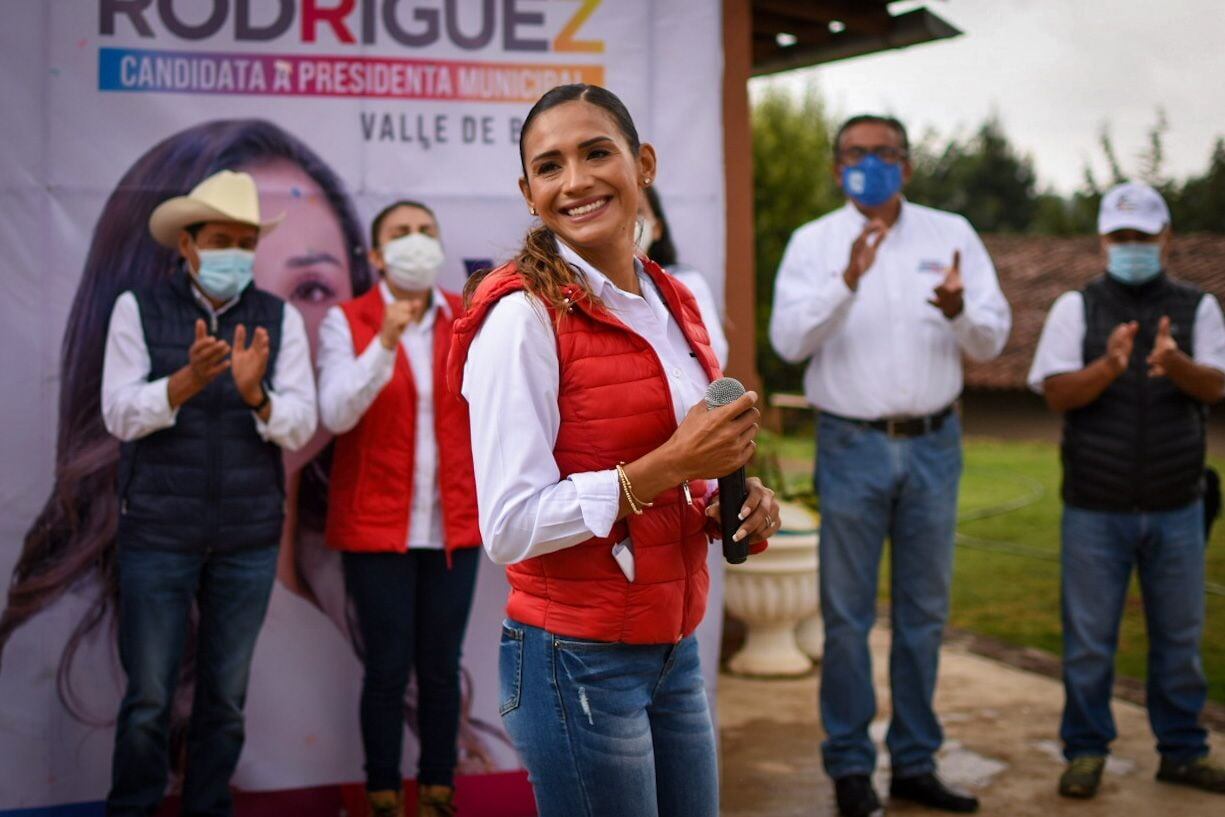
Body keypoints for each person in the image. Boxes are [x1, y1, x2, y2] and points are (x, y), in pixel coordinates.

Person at [449, 83, 781, 817]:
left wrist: (727, 500)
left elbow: (684, 467)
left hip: (672, 646)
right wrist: (668, 467)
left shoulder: (673, 301)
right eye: (550, 165)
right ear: (528, 192)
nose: (576, 180)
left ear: (644, 164)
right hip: (575, 660)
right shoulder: (519, 320)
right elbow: (508, 525)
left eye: (597, 152)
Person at [769, 114, 1010, 816]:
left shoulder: (951, 233)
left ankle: (913, 761)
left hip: (935, 444)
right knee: (845, 616)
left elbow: (992, 340)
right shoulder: (813, 243)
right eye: (854, 154)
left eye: (882, 154)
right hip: (850, 445)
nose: (868, 164)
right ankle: (849, 764)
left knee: (923, 613)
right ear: (834, 167)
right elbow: (788, 340)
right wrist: (845, 281)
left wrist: (962, 309)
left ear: (905, 166)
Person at [100, 169, 317, 815]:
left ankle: (207, 805)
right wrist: (182, 384)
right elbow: (117, 413)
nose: (235, 255)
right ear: (187, 245)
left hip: (247, 538)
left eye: (246, 242)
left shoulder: (278, 317)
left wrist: (256, 395)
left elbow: (301, 420)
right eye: (220, 239)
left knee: (224, 698)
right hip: (158, 534)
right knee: (148, 698)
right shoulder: (137, 307)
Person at [1027, 181, 1225, 799]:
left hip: (1177, 502)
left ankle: (1184, 750)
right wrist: (1110, 367)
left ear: (1166, 238)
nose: (1132, 247)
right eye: (1121, 237)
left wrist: (1177, 362)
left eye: (1143, 237)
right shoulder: (1074, 308)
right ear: (1103, 241)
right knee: (1088, 644)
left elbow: (1215, 386)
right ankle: (1086, 751)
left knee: (1179, 640)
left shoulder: (1200, 308)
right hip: (1095, 505)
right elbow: (1057, 392)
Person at [316, 199, 481, 817]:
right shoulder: (347, 320)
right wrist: (383, 343)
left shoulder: (467, 318)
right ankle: (382, 793)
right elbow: (336, 414)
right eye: (401, 234)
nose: (417, 241)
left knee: (441, 668)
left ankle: (439, 790)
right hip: (376, 528)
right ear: (377, 255)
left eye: (427, 231)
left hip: (453, 527)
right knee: (386, 669)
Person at [638, 186, 730, 367]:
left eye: (638, 212)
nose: (627, 224)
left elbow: (715, 355)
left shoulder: (686, 282)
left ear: (657, 228)